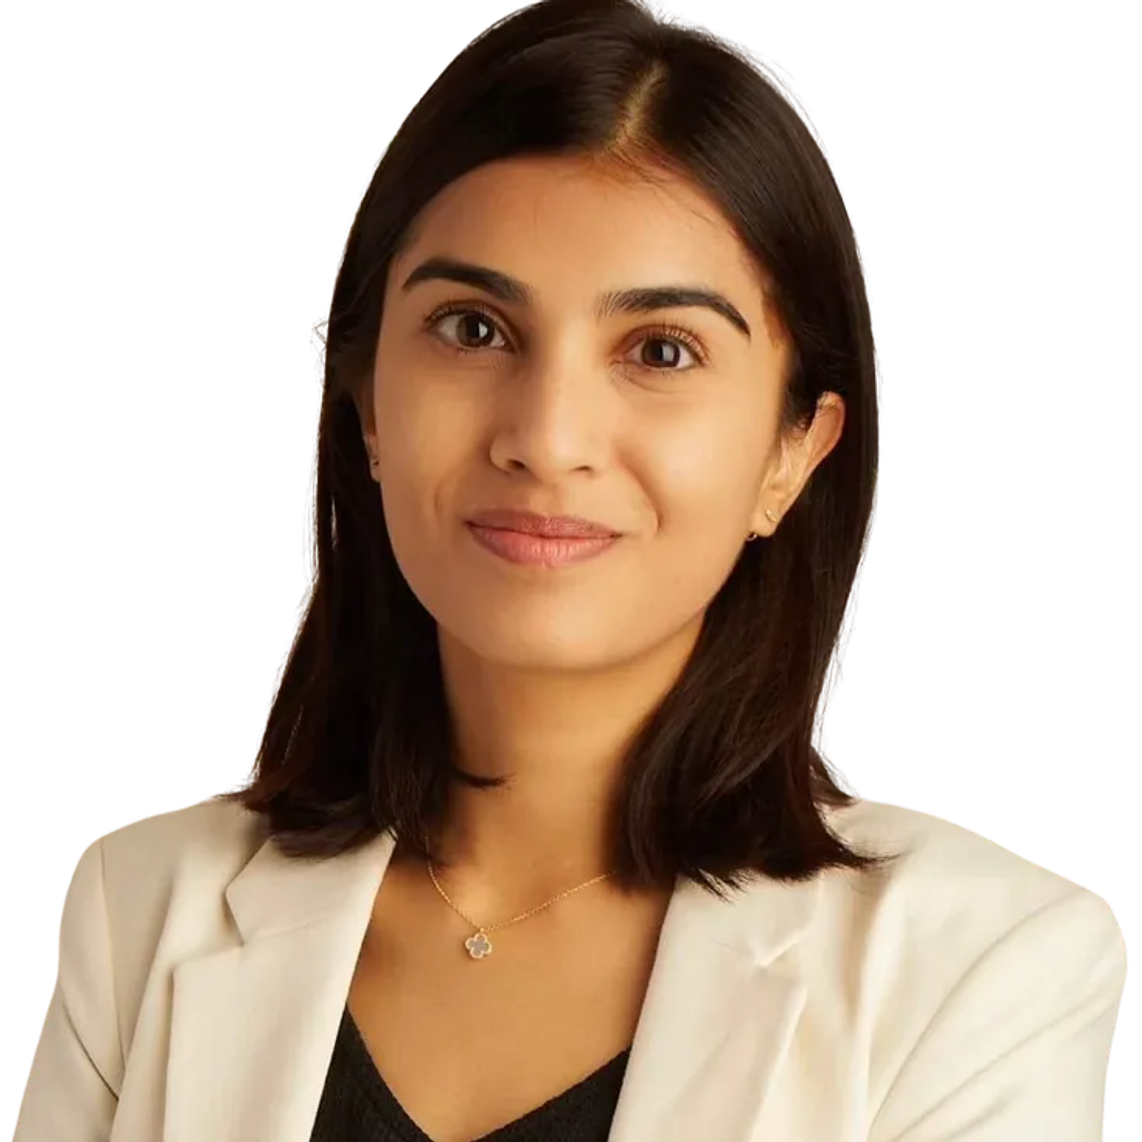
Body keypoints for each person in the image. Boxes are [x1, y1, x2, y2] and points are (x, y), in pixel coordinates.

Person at [14, 1, 1127, 1139]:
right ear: (367, 406)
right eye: (473, 329)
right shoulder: (140, 910)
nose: (546, 439)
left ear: (792, 452)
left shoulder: (983, 968)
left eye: (660, 351)